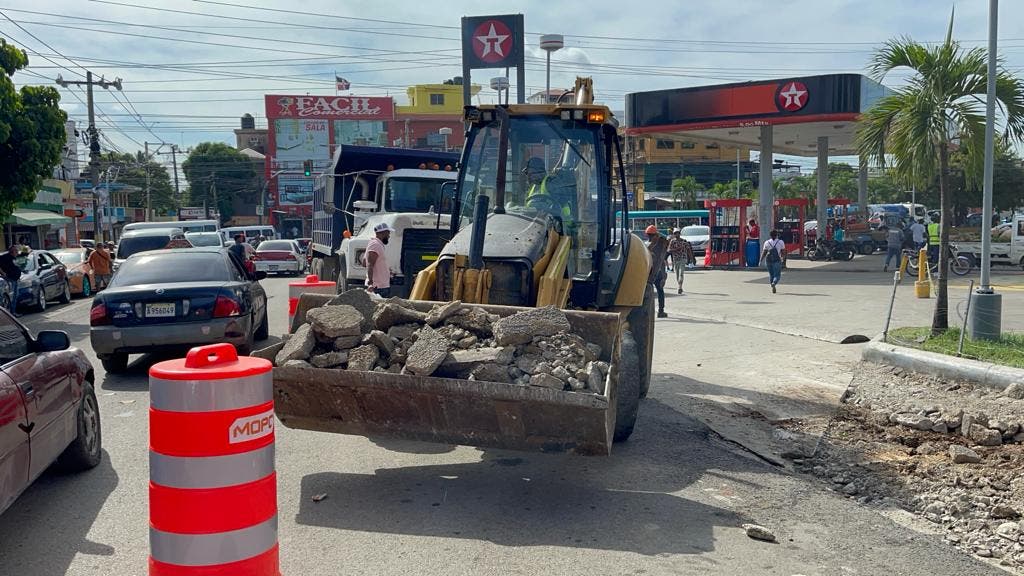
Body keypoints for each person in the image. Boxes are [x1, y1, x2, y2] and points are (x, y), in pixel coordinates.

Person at [645, 225, 669, 318]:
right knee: (659, 292)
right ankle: (661, 311)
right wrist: (663, 275)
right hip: (654, 272)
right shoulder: (657, 245)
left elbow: (661, 260)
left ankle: (659, 311)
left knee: (655, 292)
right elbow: (661, 260)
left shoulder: (647, 244)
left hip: (650, 272)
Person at [364, 222, 393, 297]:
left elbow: (364, 262)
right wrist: (371, 284)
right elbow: (370, 264)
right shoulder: (375, 245)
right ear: (382, 233)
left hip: (380, 286)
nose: (389, 236)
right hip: (378, 287)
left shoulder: (375, 244)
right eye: (388, 233)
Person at [667, 228, 693, 295]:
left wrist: (691, 259)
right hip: (676, 259)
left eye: (678, 233)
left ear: (680, 234)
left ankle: (680, 287)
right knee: (677, 274)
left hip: (683, 259)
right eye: (675, 233)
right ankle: (679, 285)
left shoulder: (684, 241)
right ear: (674, 234)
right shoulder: (672, 241)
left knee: (681, 273)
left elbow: (688, 250)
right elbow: (669, 250)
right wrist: (676, 249)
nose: (676, 234)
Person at [0, 245, 22, 315]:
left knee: (15, 296)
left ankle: (13, 312)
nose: (17, 252)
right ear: (12, 251)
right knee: (11, 296)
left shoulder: (15, 258)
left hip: (15, 279)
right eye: (16, 251)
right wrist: (3, 273)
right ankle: (10, 313)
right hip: (9, 279)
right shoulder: (5, 257)